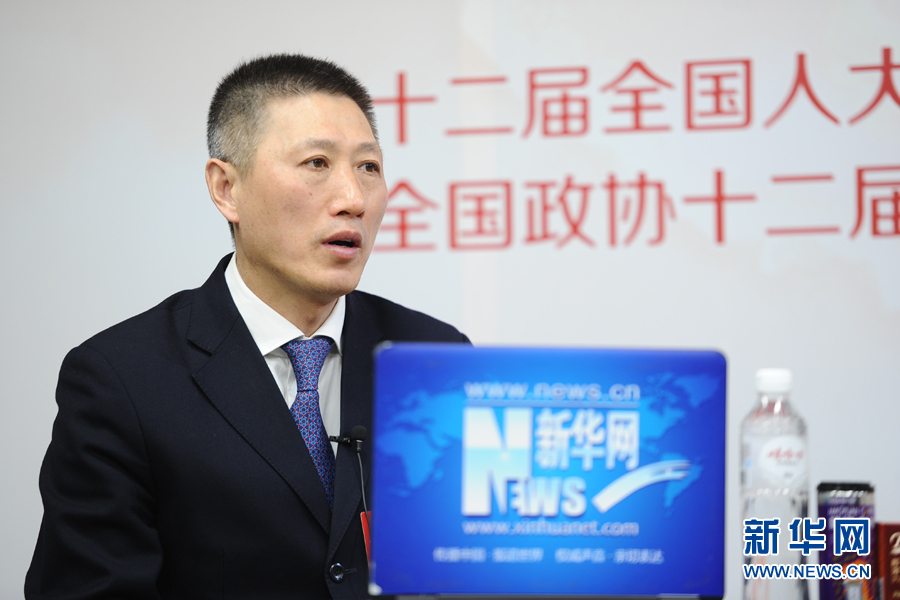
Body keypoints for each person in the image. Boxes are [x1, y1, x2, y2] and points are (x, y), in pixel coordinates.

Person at [25, 54, 469, 599]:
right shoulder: (123, 379)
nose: (353, 199)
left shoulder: (434, 355)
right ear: (226, 188)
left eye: (368, 167)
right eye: (316, 163)